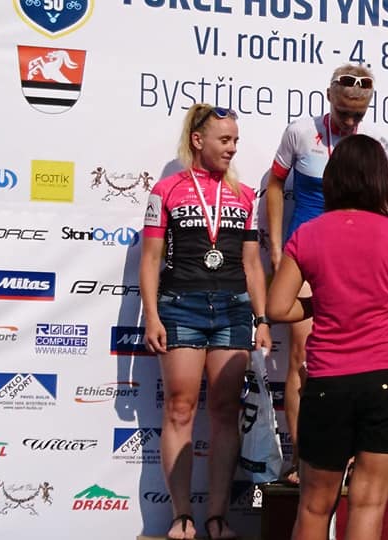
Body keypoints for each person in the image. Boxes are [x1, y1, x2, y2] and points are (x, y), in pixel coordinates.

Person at [266, 134, 388, 540]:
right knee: (369, 503)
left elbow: (277, 308)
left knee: (313, 505)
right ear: (380, 179)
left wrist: (319, 303)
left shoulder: (308, 234)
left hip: (329, 381)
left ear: (333, 178)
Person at [140, 103, 272, 540]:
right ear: (198, 140)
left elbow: (252, 264)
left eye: (236, 141)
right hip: (181, 305)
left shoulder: (245, 194)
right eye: (225, 140)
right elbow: (150, 260)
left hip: (233, 308)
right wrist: (152, 316)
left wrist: (262, 319)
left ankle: (217, 516)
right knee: (180, 408)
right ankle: (181, 515)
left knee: (225, 411)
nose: (233, 148)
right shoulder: (166, 190)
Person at [266, 64, 388, 485]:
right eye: (343, 113)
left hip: (351, 259)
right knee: (301, 359)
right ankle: (302, 457)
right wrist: (276, 247)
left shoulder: (375, 143)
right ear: (329, 99)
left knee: (350, 359)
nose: (351, 122)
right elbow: (275, 186)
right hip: (305, 254)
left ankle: (345, 456)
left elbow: (377, 204)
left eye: (358, 115)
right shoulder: (301, 132)